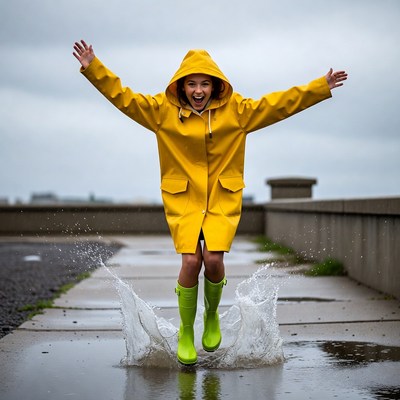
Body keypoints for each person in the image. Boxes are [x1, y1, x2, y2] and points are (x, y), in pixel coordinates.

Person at [72, 40, 347, 365]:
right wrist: (95, 68)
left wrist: (320, 87)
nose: (198, 90)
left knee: (213, 260)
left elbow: (279, 105)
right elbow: (125, 98)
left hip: (221, 198)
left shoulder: (238, 112)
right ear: (181, 86)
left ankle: (212, 314)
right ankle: (187, 331)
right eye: (192, 83)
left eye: (204, 83)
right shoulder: (162, 112)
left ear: (215, 85)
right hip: (184, 199)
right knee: (191, 262)